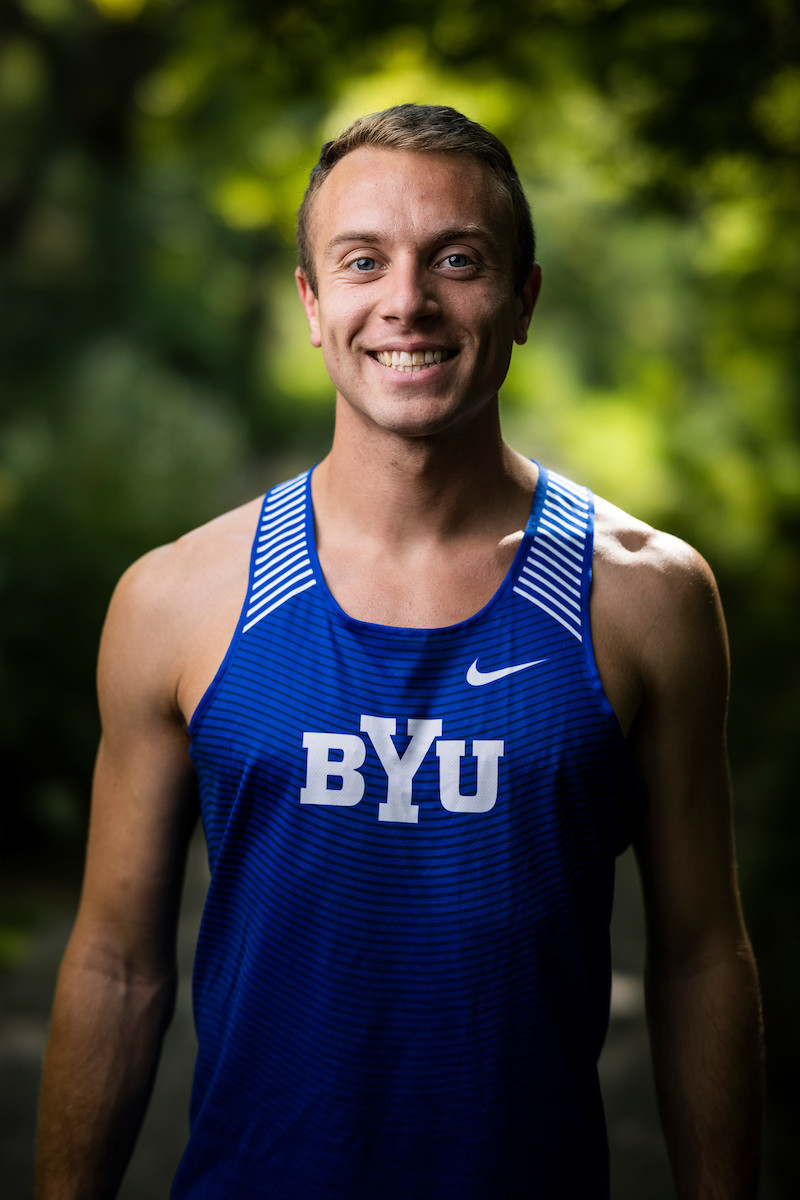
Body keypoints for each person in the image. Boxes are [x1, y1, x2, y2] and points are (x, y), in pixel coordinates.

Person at [35, 104, 763, 1199]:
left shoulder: (645, 596)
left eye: (457, 260)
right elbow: (115, 966)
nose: (407, 303)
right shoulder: (177, 597)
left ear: (522, 300)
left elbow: (701, 953)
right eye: (362, 260)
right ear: (311, 303)